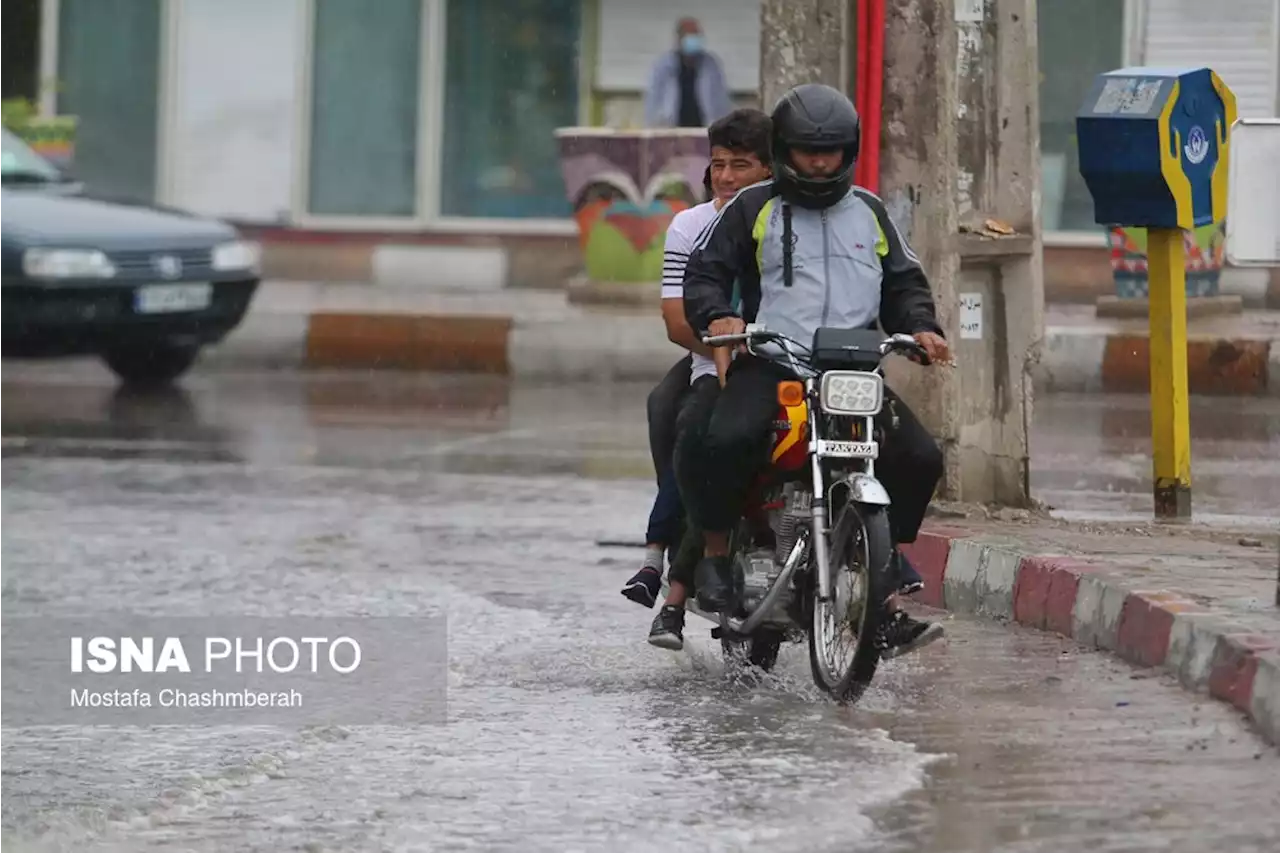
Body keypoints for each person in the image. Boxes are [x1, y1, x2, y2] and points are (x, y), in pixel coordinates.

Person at [678, 83, 947, 660]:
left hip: (851, 370)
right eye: (807, 151)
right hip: (775, 363)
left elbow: (904, 283)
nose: (819, 162)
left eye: (829, 151)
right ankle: (718, 558)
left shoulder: (871, 212)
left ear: (848, 149)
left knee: (920, 456)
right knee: (724, 438)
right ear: (784, 150)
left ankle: (886, 573)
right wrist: (719, 315)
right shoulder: (755, 207)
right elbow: (703, 273)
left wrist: (922, 328)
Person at [619, 109, 775, 652]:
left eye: (742, 165)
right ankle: (666, 576)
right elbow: (678, 317)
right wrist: (723, 348)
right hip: (710, 361)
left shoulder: (791, 220)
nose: (728, 177)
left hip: (785, 363)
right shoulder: (693, 225)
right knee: (680, 424)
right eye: (719, 165)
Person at [643, 17, 733, 129]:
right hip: (672, 128)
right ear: (679, 39)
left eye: (697, 36)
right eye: (691, 37)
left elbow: (721, 99)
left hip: (704, 129)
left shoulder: (710, 65)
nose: (695, 41)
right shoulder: (663, 66)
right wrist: (655, 126)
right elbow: (653, 100)